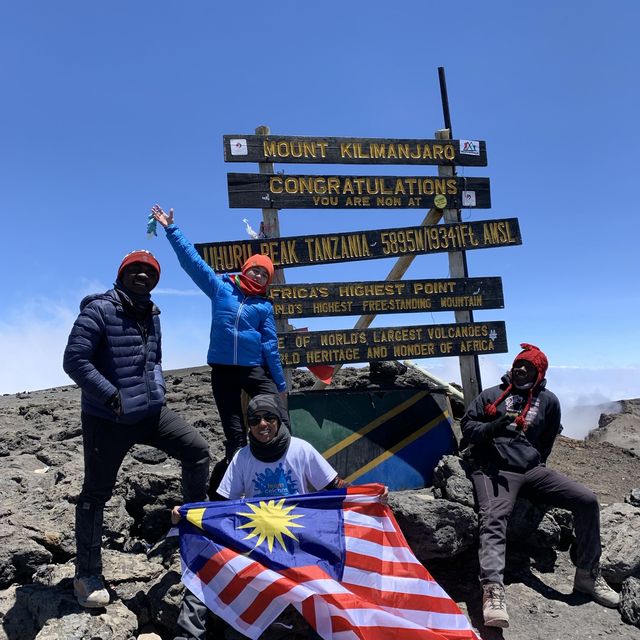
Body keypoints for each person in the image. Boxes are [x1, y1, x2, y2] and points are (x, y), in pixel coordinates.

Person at [63, 249, 210, 608]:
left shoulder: (152, 314)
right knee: (95, 494)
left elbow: (155, 359)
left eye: (150, 271)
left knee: (198, 451)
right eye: (135, 269)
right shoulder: (99, 309)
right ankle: (87, 574)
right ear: (122, 273)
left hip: (150, 413)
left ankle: (191, 532)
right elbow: (74, 360)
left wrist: (157, 390)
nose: (142, 274)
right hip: (108, 420)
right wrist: (112, 397)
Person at [460, 343, 619, 629]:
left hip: (532, 471)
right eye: (518, 364)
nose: (521, 369)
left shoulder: (549, 401)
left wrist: (535, 465)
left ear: (540, 372)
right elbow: (468, 428)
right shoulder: (491, 396)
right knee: (495, 518)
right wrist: (493, 429)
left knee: (587, 500)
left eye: (529, 367)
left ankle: (587, 575)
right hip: (493, 470)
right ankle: (493, 591)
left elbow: (546, 440)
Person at [172, 394, 353, 640]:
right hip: (257, 542)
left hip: (300, 541)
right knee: (205, 567)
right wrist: (187, 514)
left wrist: (369, 495)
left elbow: (336, 487)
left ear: (279, 420)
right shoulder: (242, 457)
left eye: (269, 417)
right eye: (255, 420)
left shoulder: (301, 449)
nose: (262, 424)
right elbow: (222, 507)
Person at [150, 205, 288, 468]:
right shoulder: (221, 289)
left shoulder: (264, 306)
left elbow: (270, 346)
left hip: (253, 370)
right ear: (245, 269)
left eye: (264, 273)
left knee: (278, 415)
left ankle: (282, 464)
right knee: (234, 431)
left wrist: (280, 386)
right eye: (255, 269)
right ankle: (238, 475)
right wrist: (171, 229)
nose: (258, 275)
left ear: (268, 280)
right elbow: (193, 264)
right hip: (223, 371)